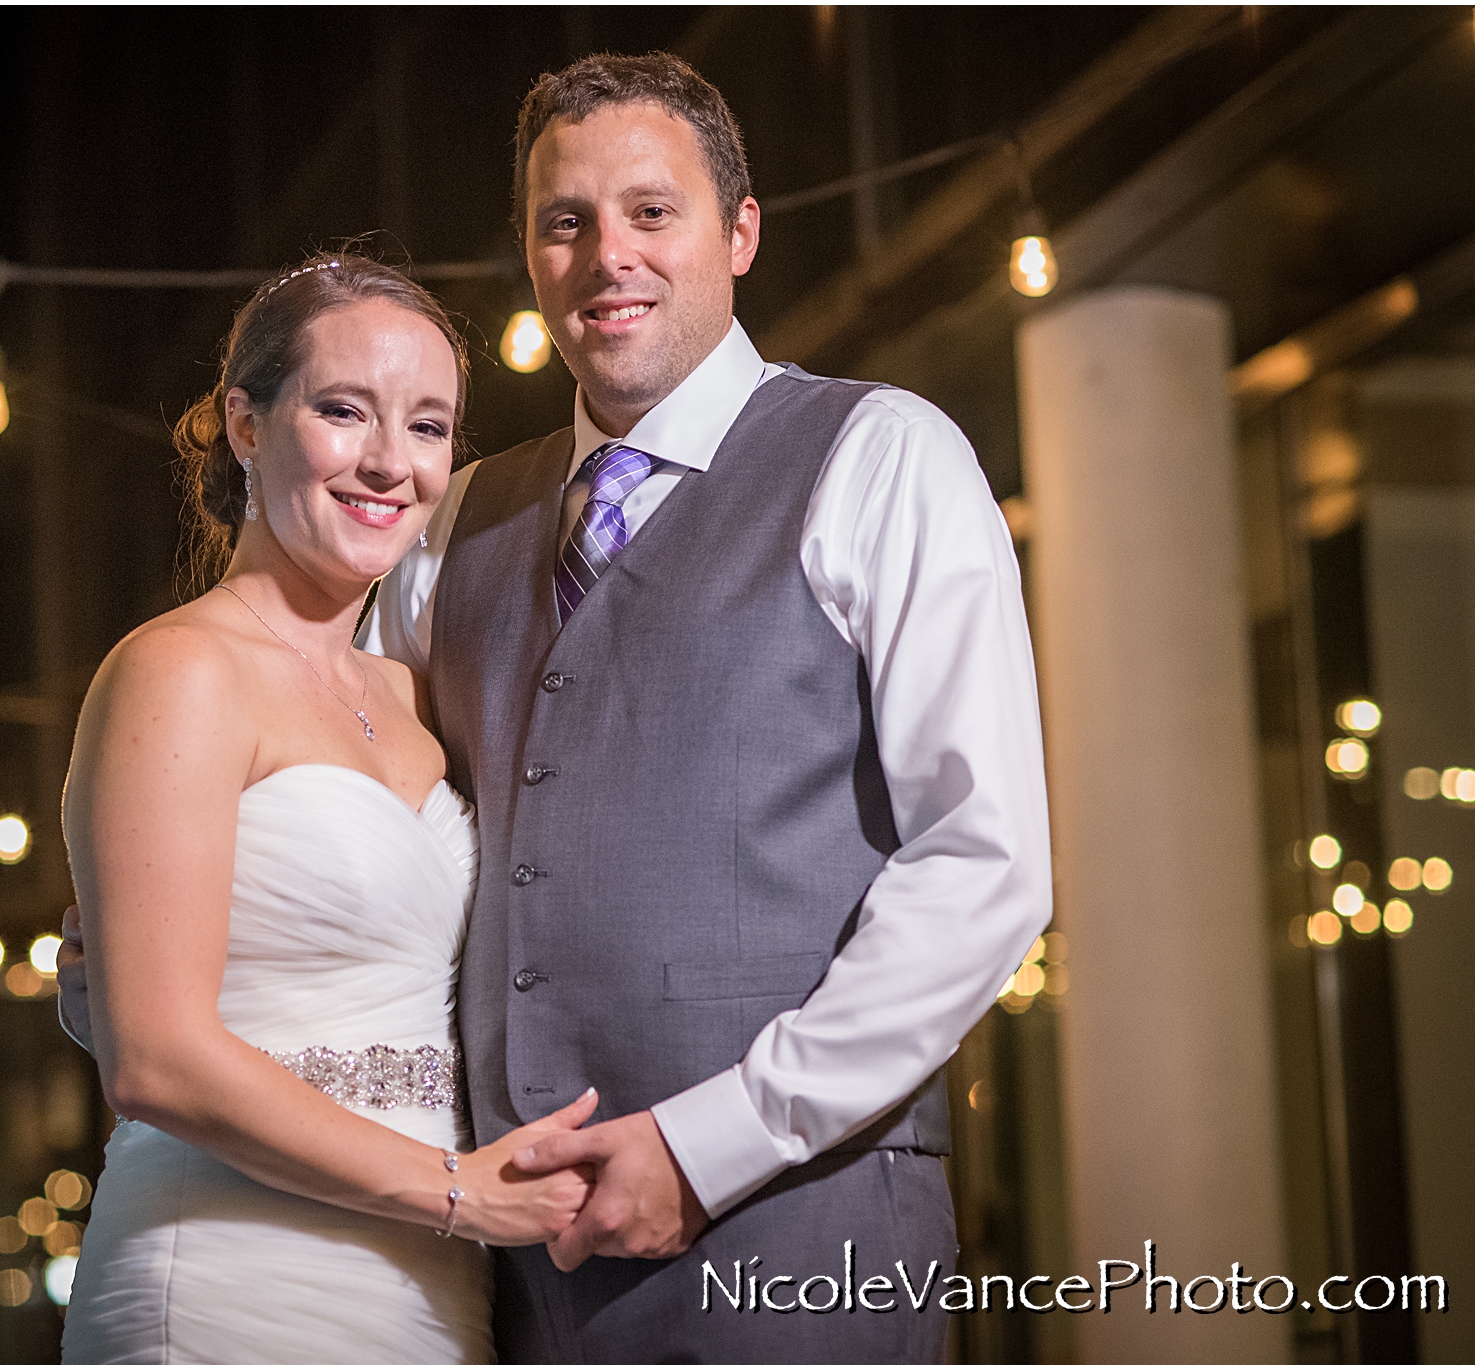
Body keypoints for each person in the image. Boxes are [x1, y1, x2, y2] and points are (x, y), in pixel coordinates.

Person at [352, 53, 1052, 1361]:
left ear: (740, 232)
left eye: (650, 211)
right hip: (516, 1275)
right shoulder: (454, 523)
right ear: (530, 254)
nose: (606, 252)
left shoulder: (883, 454)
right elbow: (341, 785)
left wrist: (712, 1137)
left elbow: (985, 861)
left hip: (802, 1231)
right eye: (566, 222)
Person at [55, 252, 596, 1365]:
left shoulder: (410, 697)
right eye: (343, 410)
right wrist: (456, 1192)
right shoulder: (176, 672)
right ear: (245, 426)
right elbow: (152, 1054)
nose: (389, 463)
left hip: (428, 1289)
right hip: (226, 1273)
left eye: (431, 426)